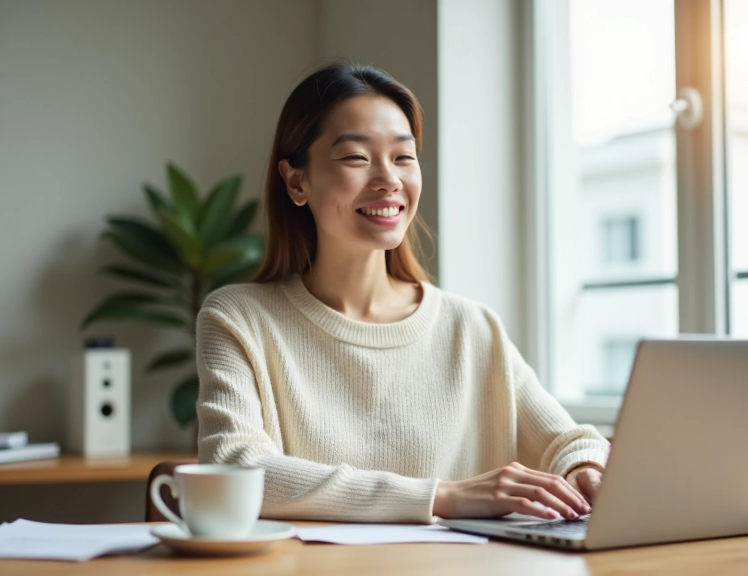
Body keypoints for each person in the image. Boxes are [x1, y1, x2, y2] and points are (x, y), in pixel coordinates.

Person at [196, 63, 610, 524]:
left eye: (403, 157)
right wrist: (439, 497)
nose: (388, 179)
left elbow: (569, 441)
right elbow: (235, 466)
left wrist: (585, 468)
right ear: (297, 181)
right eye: (356, 158)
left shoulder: (471, 327)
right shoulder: (238, 317)